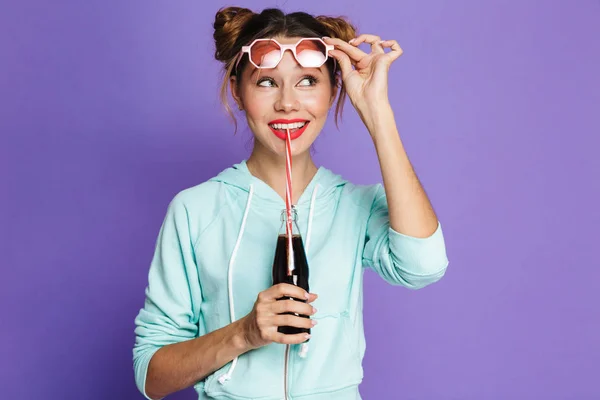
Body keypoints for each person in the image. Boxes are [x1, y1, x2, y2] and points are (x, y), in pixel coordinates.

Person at [133, 6, 449, 400]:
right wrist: (244, 332)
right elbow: (151, 376)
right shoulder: (195, 210)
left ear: (334, 90)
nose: (287, 103)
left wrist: (376, 110)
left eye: (307, 81)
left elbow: (423, 266)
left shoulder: (356, 205)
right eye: (266, 82)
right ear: (237, 90)